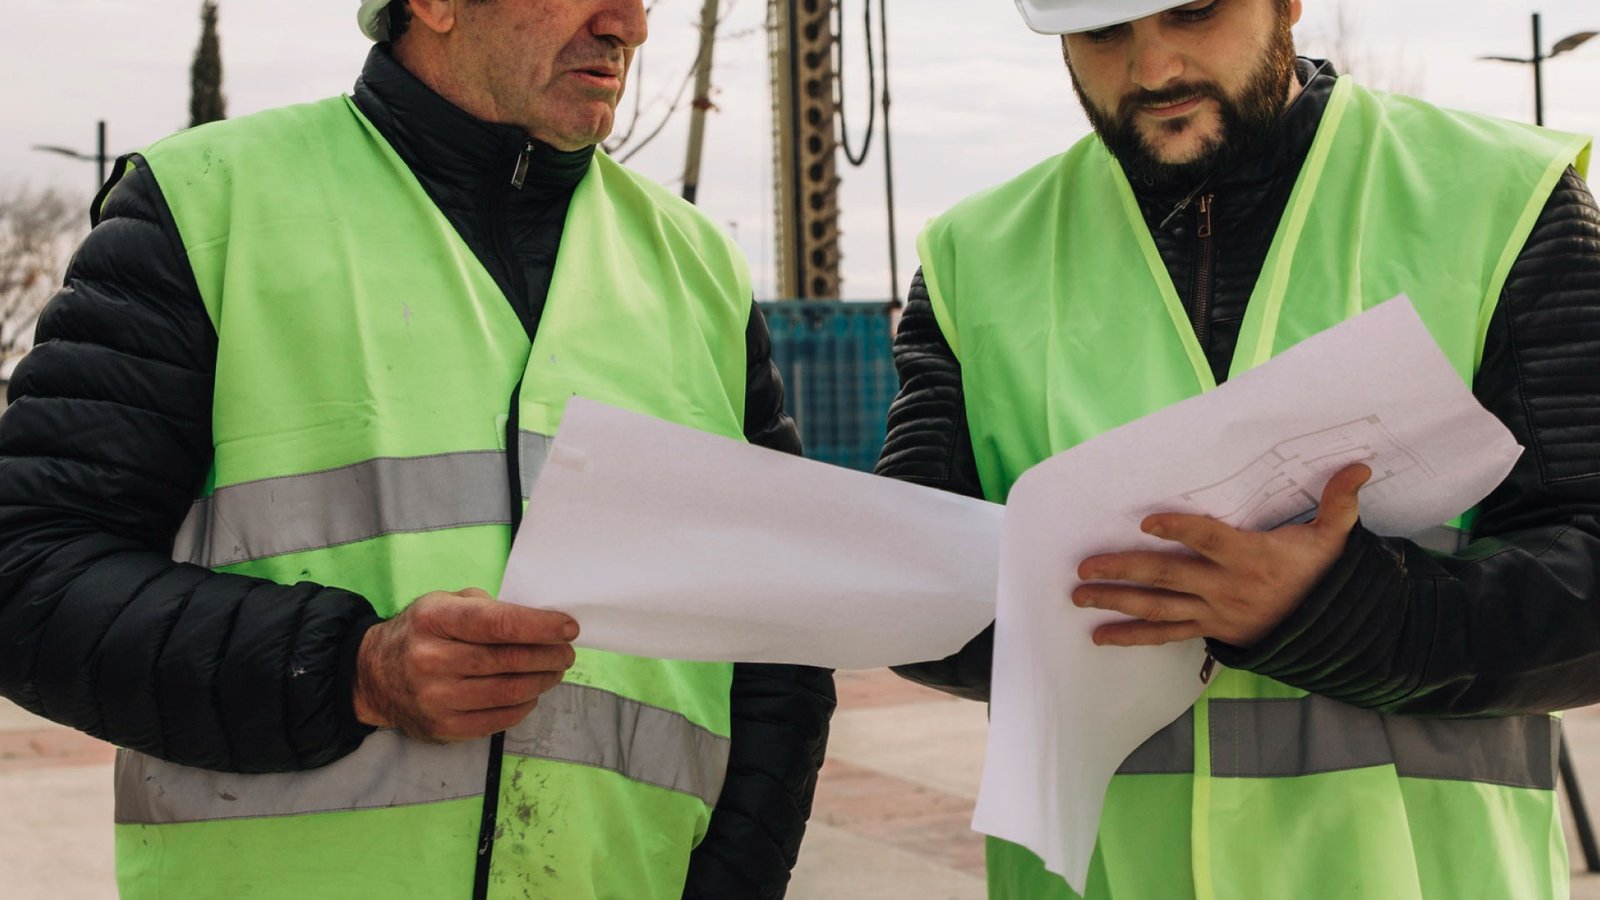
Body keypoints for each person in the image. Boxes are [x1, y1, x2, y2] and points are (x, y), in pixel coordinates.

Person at [0, 1, 834, 897]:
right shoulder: (208, 205)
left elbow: (779, 627)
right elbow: (28, 573)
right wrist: (351, 672)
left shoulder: (698, 267)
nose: (627, 23)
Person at [877, 0, 1600, 897]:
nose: (1152, 68)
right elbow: (913, 603)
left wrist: (1342, 613)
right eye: (1104, 32)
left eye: (1193, 11)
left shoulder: (1502, 201)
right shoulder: (976, 259)